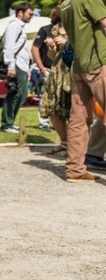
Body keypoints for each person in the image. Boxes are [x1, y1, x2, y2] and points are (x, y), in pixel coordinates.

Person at [60, 0, 105, 182]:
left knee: (78, 121)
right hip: (99, 62)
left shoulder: (65, 5)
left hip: (79, 66)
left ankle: (75, 170)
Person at [39, 7, 72, 155]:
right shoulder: (55, 29)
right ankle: (64, 142)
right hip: (57, 71)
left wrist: (66, 43)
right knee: (51, 107)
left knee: (75, 110)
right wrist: (52, 47)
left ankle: (78, 146)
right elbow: (52, 56)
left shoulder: (79, 27)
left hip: (73, 70)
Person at [0, 2, 34, 134]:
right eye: (30, 14)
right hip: (16, 65)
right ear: (20, 13)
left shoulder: (19, 26)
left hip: (22, 65)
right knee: (15, 94)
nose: (31, 16)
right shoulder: (14, 26)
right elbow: (8, 47)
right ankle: (7, 123)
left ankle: (10, 122)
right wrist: (11, 66)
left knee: (22, 94)